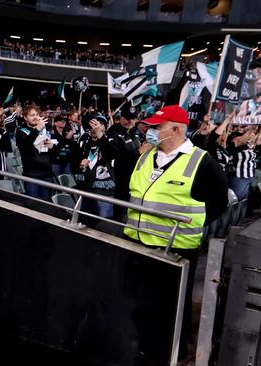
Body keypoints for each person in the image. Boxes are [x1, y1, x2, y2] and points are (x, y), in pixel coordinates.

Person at [123, 105, 228, 362]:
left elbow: (219, 202)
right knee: (138, 304)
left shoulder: (202, 161)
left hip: (176, 249)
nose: (150, 131)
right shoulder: (146, 156)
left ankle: (173, 352)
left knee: (170, 308)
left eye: (157, 127)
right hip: (137, 242)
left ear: (176, 129)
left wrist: (189, 225)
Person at [91, 107, 149, 220]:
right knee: (120, 214)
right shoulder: (113, 132)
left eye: (133, 118)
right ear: (120, 117)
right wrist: (138, 152)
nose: (129, 121)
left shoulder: (134, 133)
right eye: (127, 118)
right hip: (119, 181)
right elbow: (114, 155)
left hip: (134, 180)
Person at [16, 104, 56, 202]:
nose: (35, 117)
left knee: (46, 207)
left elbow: (55, 153)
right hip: (32, 176)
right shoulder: (21, 131)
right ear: (25, 117)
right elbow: (26, 145)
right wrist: (37, 129)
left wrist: (52, 147)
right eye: (32, 115)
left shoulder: (45, 131)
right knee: (32, 208)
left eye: (37, 114)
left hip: (47, 175)